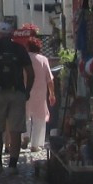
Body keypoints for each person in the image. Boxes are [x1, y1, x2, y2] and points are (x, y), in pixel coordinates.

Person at [0, 19, 35, 171]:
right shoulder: (19, 49)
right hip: (16, 91)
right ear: (11, 34)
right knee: (15, 130)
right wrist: (27, 91)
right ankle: (12, 164)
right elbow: (30, 73)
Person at [18, 25, 56, 159]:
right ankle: (35, 144)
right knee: (39, 117)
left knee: (25, 115)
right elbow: (50, 79)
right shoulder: (43, 59)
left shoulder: (23, 58)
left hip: (25, 89)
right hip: (40, 91)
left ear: (27, 47)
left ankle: (25, 136)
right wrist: (52, 94)